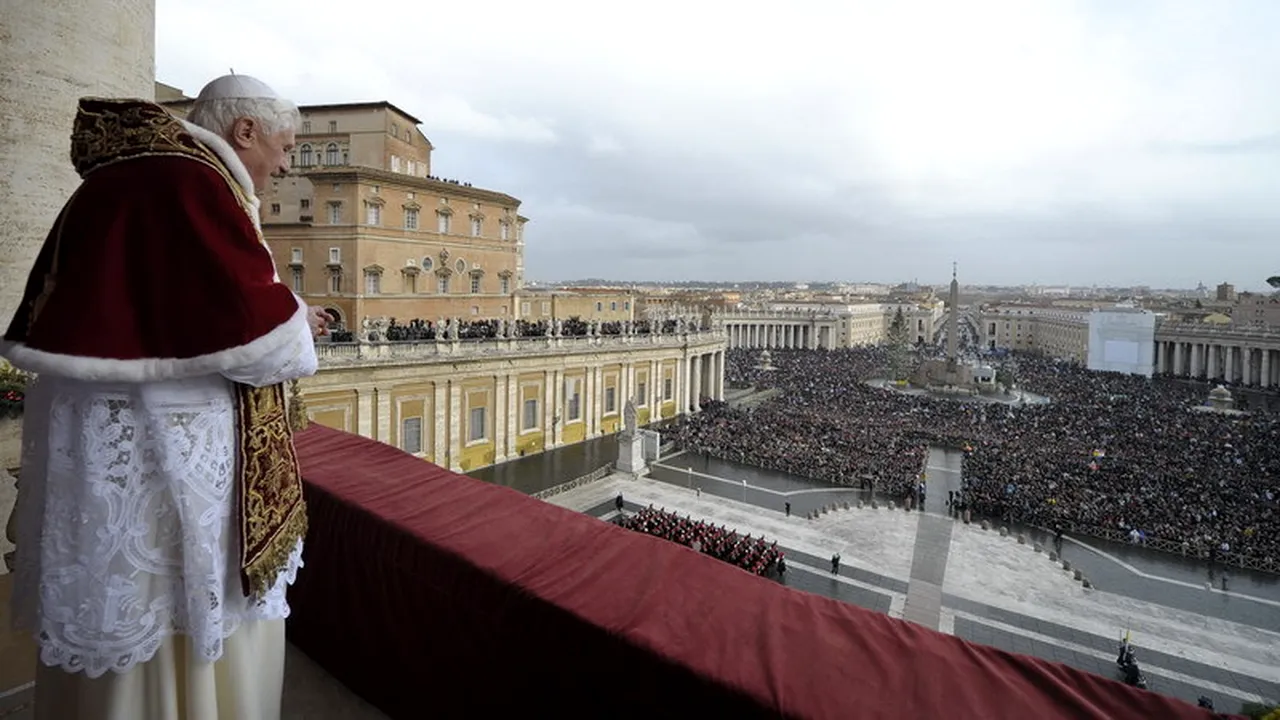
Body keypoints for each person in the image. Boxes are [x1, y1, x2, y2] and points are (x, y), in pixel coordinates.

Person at [2, 74, 328, 720]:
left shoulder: (139, 173)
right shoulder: (191, 182)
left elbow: (195, 304)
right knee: (170, 597)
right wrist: (300, 324)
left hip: (111, 428)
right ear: (245, 131)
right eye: (285, 148)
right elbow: (253, 335)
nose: (286, 166)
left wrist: (278, 311)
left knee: (123, 594)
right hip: (159, 445)